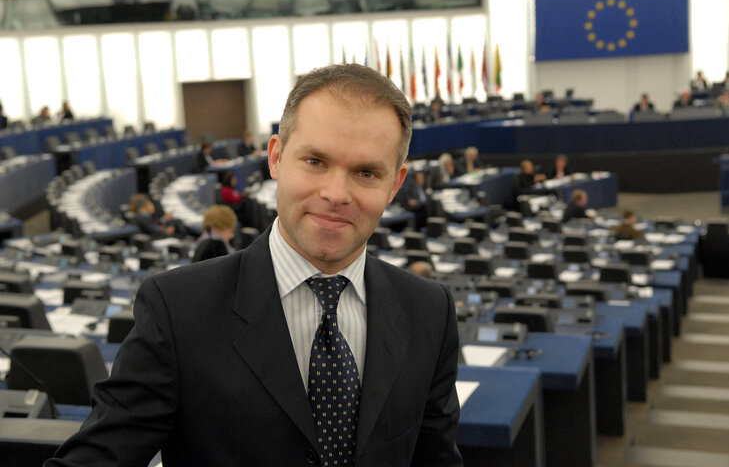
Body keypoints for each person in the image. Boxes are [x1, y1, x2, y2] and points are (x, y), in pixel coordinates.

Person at [47, 64, 463, 466]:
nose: (336, 193)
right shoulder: (177, 311)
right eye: (315, 161)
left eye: (367, 172)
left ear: (395, 184)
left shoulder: (430, 311)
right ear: (276, 157)